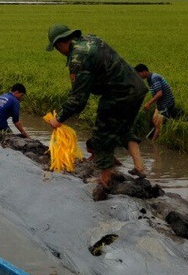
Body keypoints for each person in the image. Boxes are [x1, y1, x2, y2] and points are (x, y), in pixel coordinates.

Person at [44, 24, 149, 200]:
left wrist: (59, 119)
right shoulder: (90, 39)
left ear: (61, 44)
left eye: (56, 48)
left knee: (102, 134)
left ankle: (105, 183)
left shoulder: (78, 57)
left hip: (119, 93)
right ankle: (139, 167)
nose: (58, 51)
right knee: (123, 127)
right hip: (136, 88)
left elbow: (78, 99)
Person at [135, 64, 180, 140]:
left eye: (139, 74)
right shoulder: (149, 79)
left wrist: (148, 103)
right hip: (160, 104)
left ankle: (153, 144)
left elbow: (159, 94)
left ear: (144, 71)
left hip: (167, 104)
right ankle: (159, 136)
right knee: (154, 120)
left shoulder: (154, 78)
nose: (139, 76)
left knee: (158, 125)